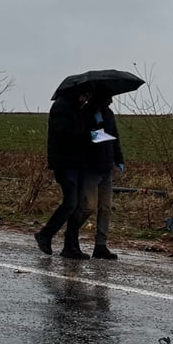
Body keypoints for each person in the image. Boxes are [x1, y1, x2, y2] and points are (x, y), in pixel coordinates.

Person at [35, 86, 101, 259]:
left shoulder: (74, 108)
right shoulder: (62, 107)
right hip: (65, 163)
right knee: (70, 203)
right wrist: (89, 135)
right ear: (77, 93)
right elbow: (66, 134)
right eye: (84, 95)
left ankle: (71, 246)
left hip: (75, 162)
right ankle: (45, 234)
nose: (86, 99)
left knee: (77, 205)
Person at [80, 91, 123, 260]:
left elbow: (114, 138)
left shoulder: (109, 114)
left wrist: (119, 159)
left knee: (105, 208)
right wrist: (95, 127)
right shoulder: (85, 113)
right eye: (108, 97)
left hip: (106, 166)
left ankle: (100, 246)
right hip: (91, 167)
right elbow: (82, 138)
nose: (111, 100)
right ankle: (71, 236)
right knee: (89, 207)